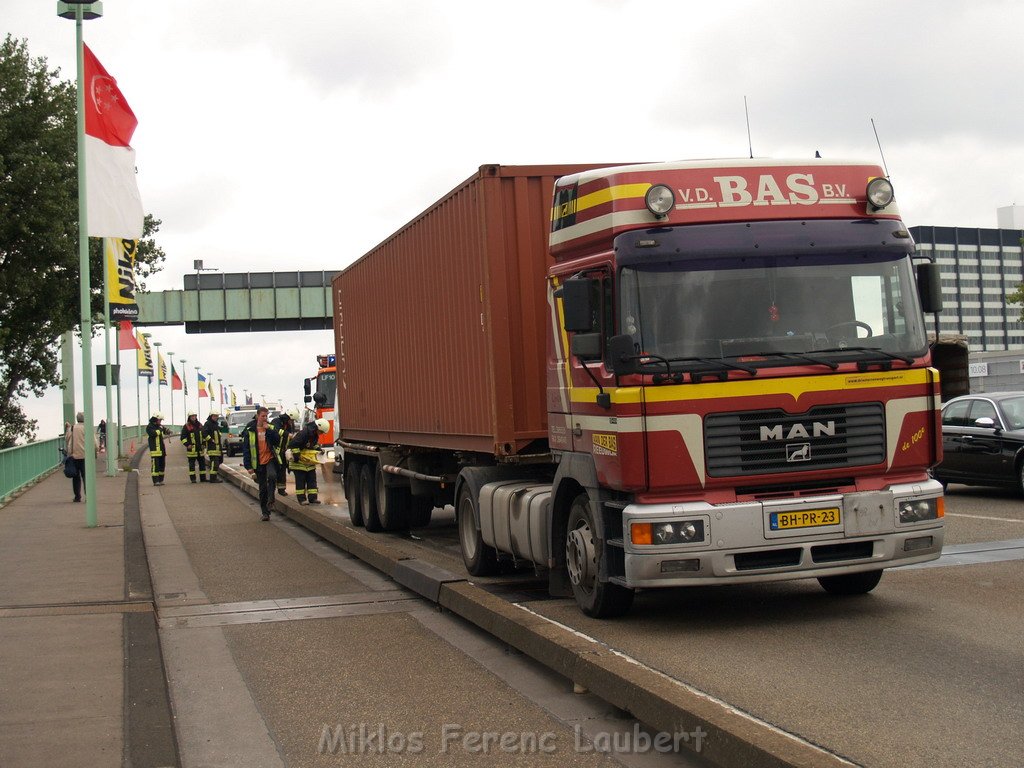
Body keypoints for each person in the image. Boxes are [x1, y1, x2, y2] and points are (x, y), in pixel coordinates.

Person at [241, 406, 281, 521]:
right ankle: (265, 512)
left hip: (270, 459)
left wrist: (269, 430)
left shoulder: (271, 427)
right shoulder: (250, 430)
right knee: (262, 488)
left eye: (266, 416)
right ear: (257, 416)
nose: (265, 418)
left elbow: (277, 440)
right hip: (258, 463)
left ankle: (271, 499)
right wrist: (248, 466)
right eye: (263, 416)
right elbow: (246, 449)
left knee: (272, 476)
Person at [287, 417, 329, 505]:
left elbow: (311, 445)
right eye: (321, 432)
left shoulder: (313, 434)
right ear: (317, 428)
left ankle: (313, 498)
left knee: (312, 480)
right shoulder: (304, 434)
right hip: (298, 463)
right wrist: (297, 456)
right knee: (300, 482)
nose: (321, 434)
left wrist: (319, 449)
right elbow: (292, 445)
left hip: (308, 461)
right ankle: (302, 499)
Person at [64, 411, 97, 502]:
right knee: (86, 477)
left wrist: (67, 428)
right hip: (85, 456)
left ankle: (77, 496)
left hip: (74, 456)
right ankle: (88, 496)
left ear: (77, 419)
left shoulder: (72, 428)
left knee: (76, 477)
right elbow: (95, 443)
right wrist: (95, 450)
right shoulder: (88, 428)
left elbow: (67, 439)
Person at [270, 409, 299, 496]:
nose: (292, 422)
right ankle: (271, 489)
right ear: (288, 417)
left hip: (283, 451)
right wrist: (288, 434)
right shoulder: (276, 421)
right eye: (292, 420)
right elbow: (276, 430)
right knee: (274, 471)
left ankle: (281, 489)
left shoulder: (288, 425)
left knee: (282, 471)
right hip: (274, 451)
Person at [179, 412, 208, 483]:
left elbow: (204, 435)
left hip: (200, 449)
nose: (194, 417)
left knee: (202, 464)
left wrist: (204, 443)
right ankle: (193, 479)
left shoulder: (200, 425)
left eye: (195, 416)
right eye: (192, 416)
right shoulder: (186, 426)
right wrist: (187, 445)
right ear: (189, 417)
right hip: (192, 449)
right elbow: (183, 438)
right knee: (192, 465)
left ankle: (203, 478)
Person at [146, 412, 170, 486]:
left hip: (162, 450)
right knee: (155, 467)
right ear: (155, 419)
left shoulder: (160, 426)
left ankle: (161, 480)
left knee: (162, 466)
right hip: (155, 450)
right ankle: (155, 481)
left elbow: (164, 432)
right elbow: (154, 433)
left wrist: (167, 431)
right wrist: (161, 429)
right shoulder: (149, 427)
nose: (160, 422)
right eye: (160, 420)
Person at [201, 411, 224, 483]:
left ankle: (214, 477)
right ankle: (213, 478)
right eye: (214, 416)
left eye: (217, 416)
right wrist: (210, 440)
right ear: (211, 416)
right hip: (212, 448)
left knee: (219, 461)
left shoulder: (216, 424)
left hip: (218, 448)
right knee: (214, 463)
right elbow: (204, 433)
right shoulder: (208, 423)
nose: (216, 417)